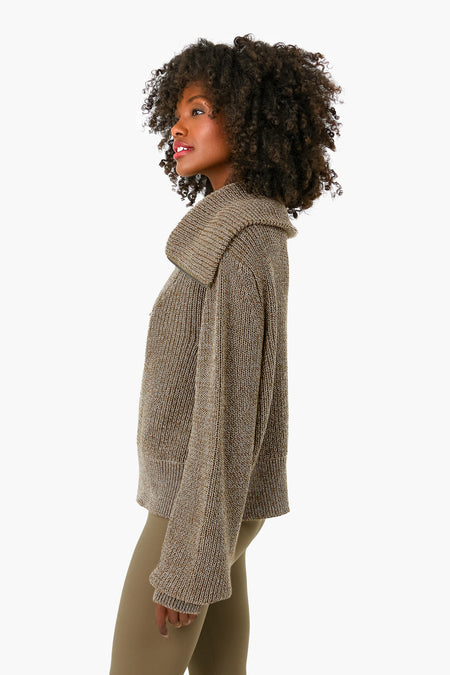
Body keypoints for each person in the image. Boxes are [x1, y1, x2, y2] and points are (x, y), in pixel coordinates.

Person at [109, 33, 343, 675]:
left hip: (195, 505)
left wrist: (189, 560)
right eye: (177, 112)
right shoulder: (233, 232)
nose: (178, 127)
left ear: (248, 120)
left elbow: (230, 409)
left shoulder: (240, 244)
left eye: (199, 110)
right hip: (212, 502)